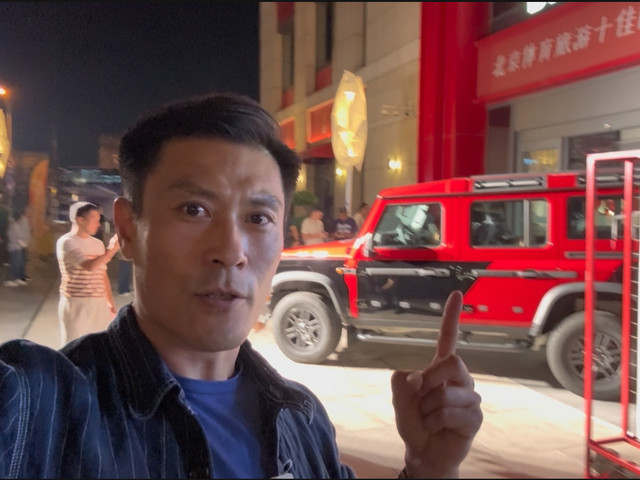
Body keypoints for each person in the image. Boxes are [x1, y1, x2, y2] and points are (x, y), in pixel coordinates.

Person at [0, 93, 482, 478]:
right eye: (194, 209)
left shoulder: (302, 419)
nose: (231, 251)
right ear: (127, 230)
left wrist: (428, 468)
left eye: (258, 217)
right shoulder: (41, 407)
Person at [55, 201, 120, 346]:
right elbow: (89, 266)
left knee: (98, 346)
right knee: (74, 347)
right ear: (79, 219)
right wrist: (112, 250)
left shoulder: (98, 244)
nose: (98, 224)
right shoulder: (67, 242)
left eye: (99, 220)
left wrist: (110, 302)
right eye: (94, 219)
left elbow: (102, 275)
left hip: (98, 303)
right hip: (76, 303)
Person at [3, 209, 29, 287]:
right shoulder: (15, 225)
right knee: (15, 263)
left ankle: (16, 278)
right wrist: (24, 244)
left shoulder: (12, 224)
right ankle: (9, 279)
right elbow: (19, 237)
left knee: (17, 263)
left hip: (15, 247)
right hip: (16, 247)